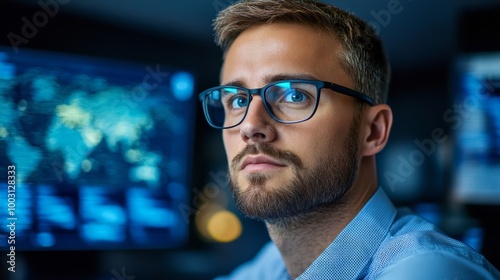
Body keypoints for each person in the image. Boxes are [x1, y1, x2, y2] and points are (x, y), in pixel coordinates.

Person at [198, 0, 500, 279]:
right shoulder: (274, 264)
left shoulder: (428, 270)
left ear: (373, 131)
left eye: (294, 95)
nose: (250, 126)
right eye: (237, 101)